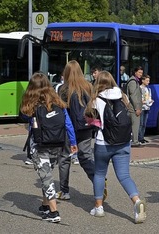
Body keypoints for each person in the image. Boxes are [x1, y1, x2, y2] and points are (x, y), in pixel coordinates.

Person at [85, 71, 147, 223]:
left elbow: (88, 119)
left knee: (99, 174)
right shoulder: (122, 95)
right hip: (123, 142)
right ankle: (137, 201)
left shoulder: (95, 99)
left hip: (103, 143)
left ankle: (99, 208)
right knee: (124, 176)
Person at [20, 72, 78, 223]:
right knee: (48, 174)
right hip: (57, 144)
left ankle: (54, 211)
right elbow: (68, 124)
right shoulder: (58, 102)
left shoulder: (31, 105)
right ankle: (45, 205)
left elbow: (23, 116)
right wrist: (73, 142)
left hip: (40, 145)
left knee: (46, 178)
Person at [56, 60, 99, 201]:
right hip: (86, 127)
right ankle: (98, 182)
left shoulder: (63, 89)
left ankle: (64, 190)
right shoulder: (88, 86)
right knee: (85, 156)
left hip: (69, 129)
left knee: (64, 158)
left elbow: (61, 110)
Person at [126, 66, 144, 147]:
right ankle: (135, 141)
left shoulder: (135, 81)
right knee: (135, 124)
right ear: (135, 72)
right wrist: (137, 107)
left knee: (134, 124)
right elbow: (133, 95)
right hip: (133, 107)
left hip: (134, 106)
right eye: (139, 72)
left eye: (141, 73)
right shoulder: (133, 81)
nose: (141, 74)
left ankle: (134, 140)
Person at [139, 74, 153, 144]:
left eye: (149, 80)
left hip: (147, 107)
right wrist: (146, 101)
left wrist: (150, 101)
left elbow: (149, 97)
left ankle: (142, 137)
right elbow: (140, 99)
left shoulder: (148, 89)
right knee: (141, 123)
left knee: (144, 123)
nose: (148, 82)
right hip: (142, 108)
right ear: (143, 80)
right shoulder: (140, 88)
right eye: (147, 80)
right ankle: (139, 138)